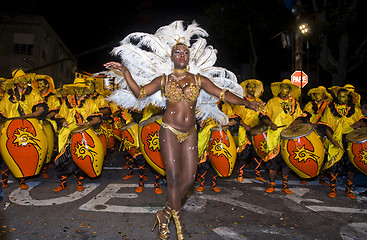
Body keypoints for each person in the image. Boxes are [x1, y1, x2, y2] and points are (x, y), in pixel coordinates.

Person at [104, 21, 262, 240]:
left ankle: (164, 213)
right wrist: (126, 72)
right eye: (177, 52)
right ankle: (176, 224)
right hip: (168, 130)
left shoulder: (199, 80)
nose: (181, 55)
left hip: (190, 132)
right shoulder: (163, 80)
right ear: (171, 57)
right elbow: (140, 93)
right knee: (174, 177)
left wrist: (246, 102)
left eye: (185, 52)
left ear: (189, 57)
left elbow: (223, 94)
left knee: (189, 178)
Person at [0, 69, 47, 190]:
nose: (25, 82)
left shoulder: (34, 93)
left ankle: (22, 180)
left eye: (25, 80)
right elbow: (1, 113)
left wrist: (31, 115)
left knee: (25, 152)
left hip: (29, 126)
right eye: (22, 80)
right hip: (11, 128)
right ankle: (4, 180)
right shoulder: (7, 96)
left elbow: (41, 108)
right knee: (8, 153)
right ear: (16, 82)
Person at [259, 79, 308, 195]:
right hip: (274, 136)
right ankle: (272, 185)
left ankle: (285, 185)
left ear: (289, 90)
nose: (283, 90)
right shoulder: (272, 101)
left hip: (289, 136)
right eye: (282, 87)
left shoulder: (294, 103)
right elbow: (263, 116)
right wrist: (271, 124)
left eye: (286, 88)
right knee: (273, 162)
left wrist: (296, 123)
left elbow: (301, 116)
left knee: (287, 161)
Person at [53, 78, 102, 192]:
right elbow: (60, 116)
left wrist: (88, 123)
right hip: (68, 133)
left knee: (83, 157)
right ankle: (63, 183)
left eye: (81, 88)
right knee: (64, 159)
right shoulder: (67, 102)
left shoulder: (90, 102)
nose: (79, 91)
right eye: (77, 88)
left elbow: (97, 119)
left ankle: (80, 182)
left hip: (84, 133)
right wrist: (63, 122)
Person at [318, 86, 367, 199]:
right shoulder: (330, 108)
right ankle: (333, 189)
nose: (342, 98)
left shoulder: (355, 109)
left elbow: (364, 123)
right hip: (335, 139)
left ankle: (348, 190)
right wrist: (332, 140)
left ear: (348, 97)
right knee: (334, 165)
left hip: (350, 140)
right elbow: (326, 127)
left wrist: (359, 124)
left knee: (351, 166)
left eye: (344, 96)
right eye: (340, 96)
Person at [234, 79, 267, 183]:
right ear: (246, 89)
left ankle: (258, 174)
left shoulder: (260, 102)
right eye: (250, 87)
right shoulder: (241, 102)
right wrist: (244, 125)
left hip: (257, 131)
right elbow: (236, 117)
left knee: (257, 152)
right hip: (244, 130)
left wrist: (260, 124)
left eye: (253, 87)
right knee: (244, 153)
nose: (252, 89)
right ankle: (240, 174)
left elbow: (265, 116)